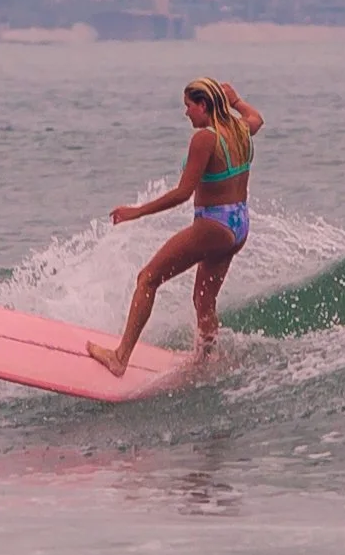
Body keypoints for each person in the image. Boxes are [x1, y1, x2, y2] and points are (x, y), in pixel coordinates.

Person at [86, 77, 264, 377]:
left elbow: (183, 193)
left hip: (215, 224)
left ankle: (120, 358)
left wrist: (137, 212)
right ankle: (205, 361)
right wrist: (235, 100)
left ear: (203, 105)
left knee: (147, 279)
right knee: (204, 299)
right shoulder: (240, 129)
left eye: (188, 107)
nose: (186, 114)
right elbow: (256, 117)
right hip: (239, 224)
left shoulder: (205, 139)